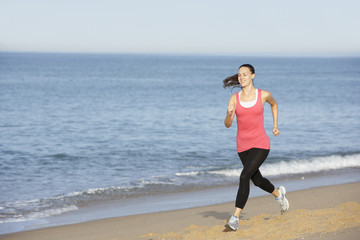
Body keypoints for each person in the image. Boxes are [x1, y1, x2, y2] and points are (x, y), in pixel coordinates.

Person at [223, 64, 289, 231]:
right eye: (239, 75)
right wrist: (229, 115)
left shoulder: (264, 95)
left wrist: (275, 125)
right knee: (257, 180)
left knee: (244, 176)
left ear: (252, 76)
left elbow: (274, 105)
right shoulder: (234, 99)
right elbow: (227, 125)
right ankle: (279, 194)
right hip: (242, 145)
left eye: (245, 74)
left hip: (261, 143)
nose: (241, 77)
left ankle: (235, 218)